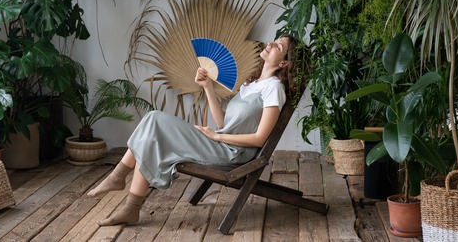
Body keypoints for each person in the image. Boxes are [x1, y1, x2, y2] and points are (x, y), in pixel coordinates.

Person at [86, 35, 300, 226]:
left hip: (233, 154)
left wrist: (216, 136)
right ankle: (130, 208)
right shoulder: (250, 85)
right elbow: (223, 122)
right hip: (221, 144)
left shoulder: (274, 89)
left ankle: (119, 179)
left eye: (278, 46)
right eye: (274, 40)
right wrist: (207, 87)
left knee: (154, 119)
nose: (270, 44)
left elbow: (259, 138)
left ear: (284, 62)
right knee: (153, 132)